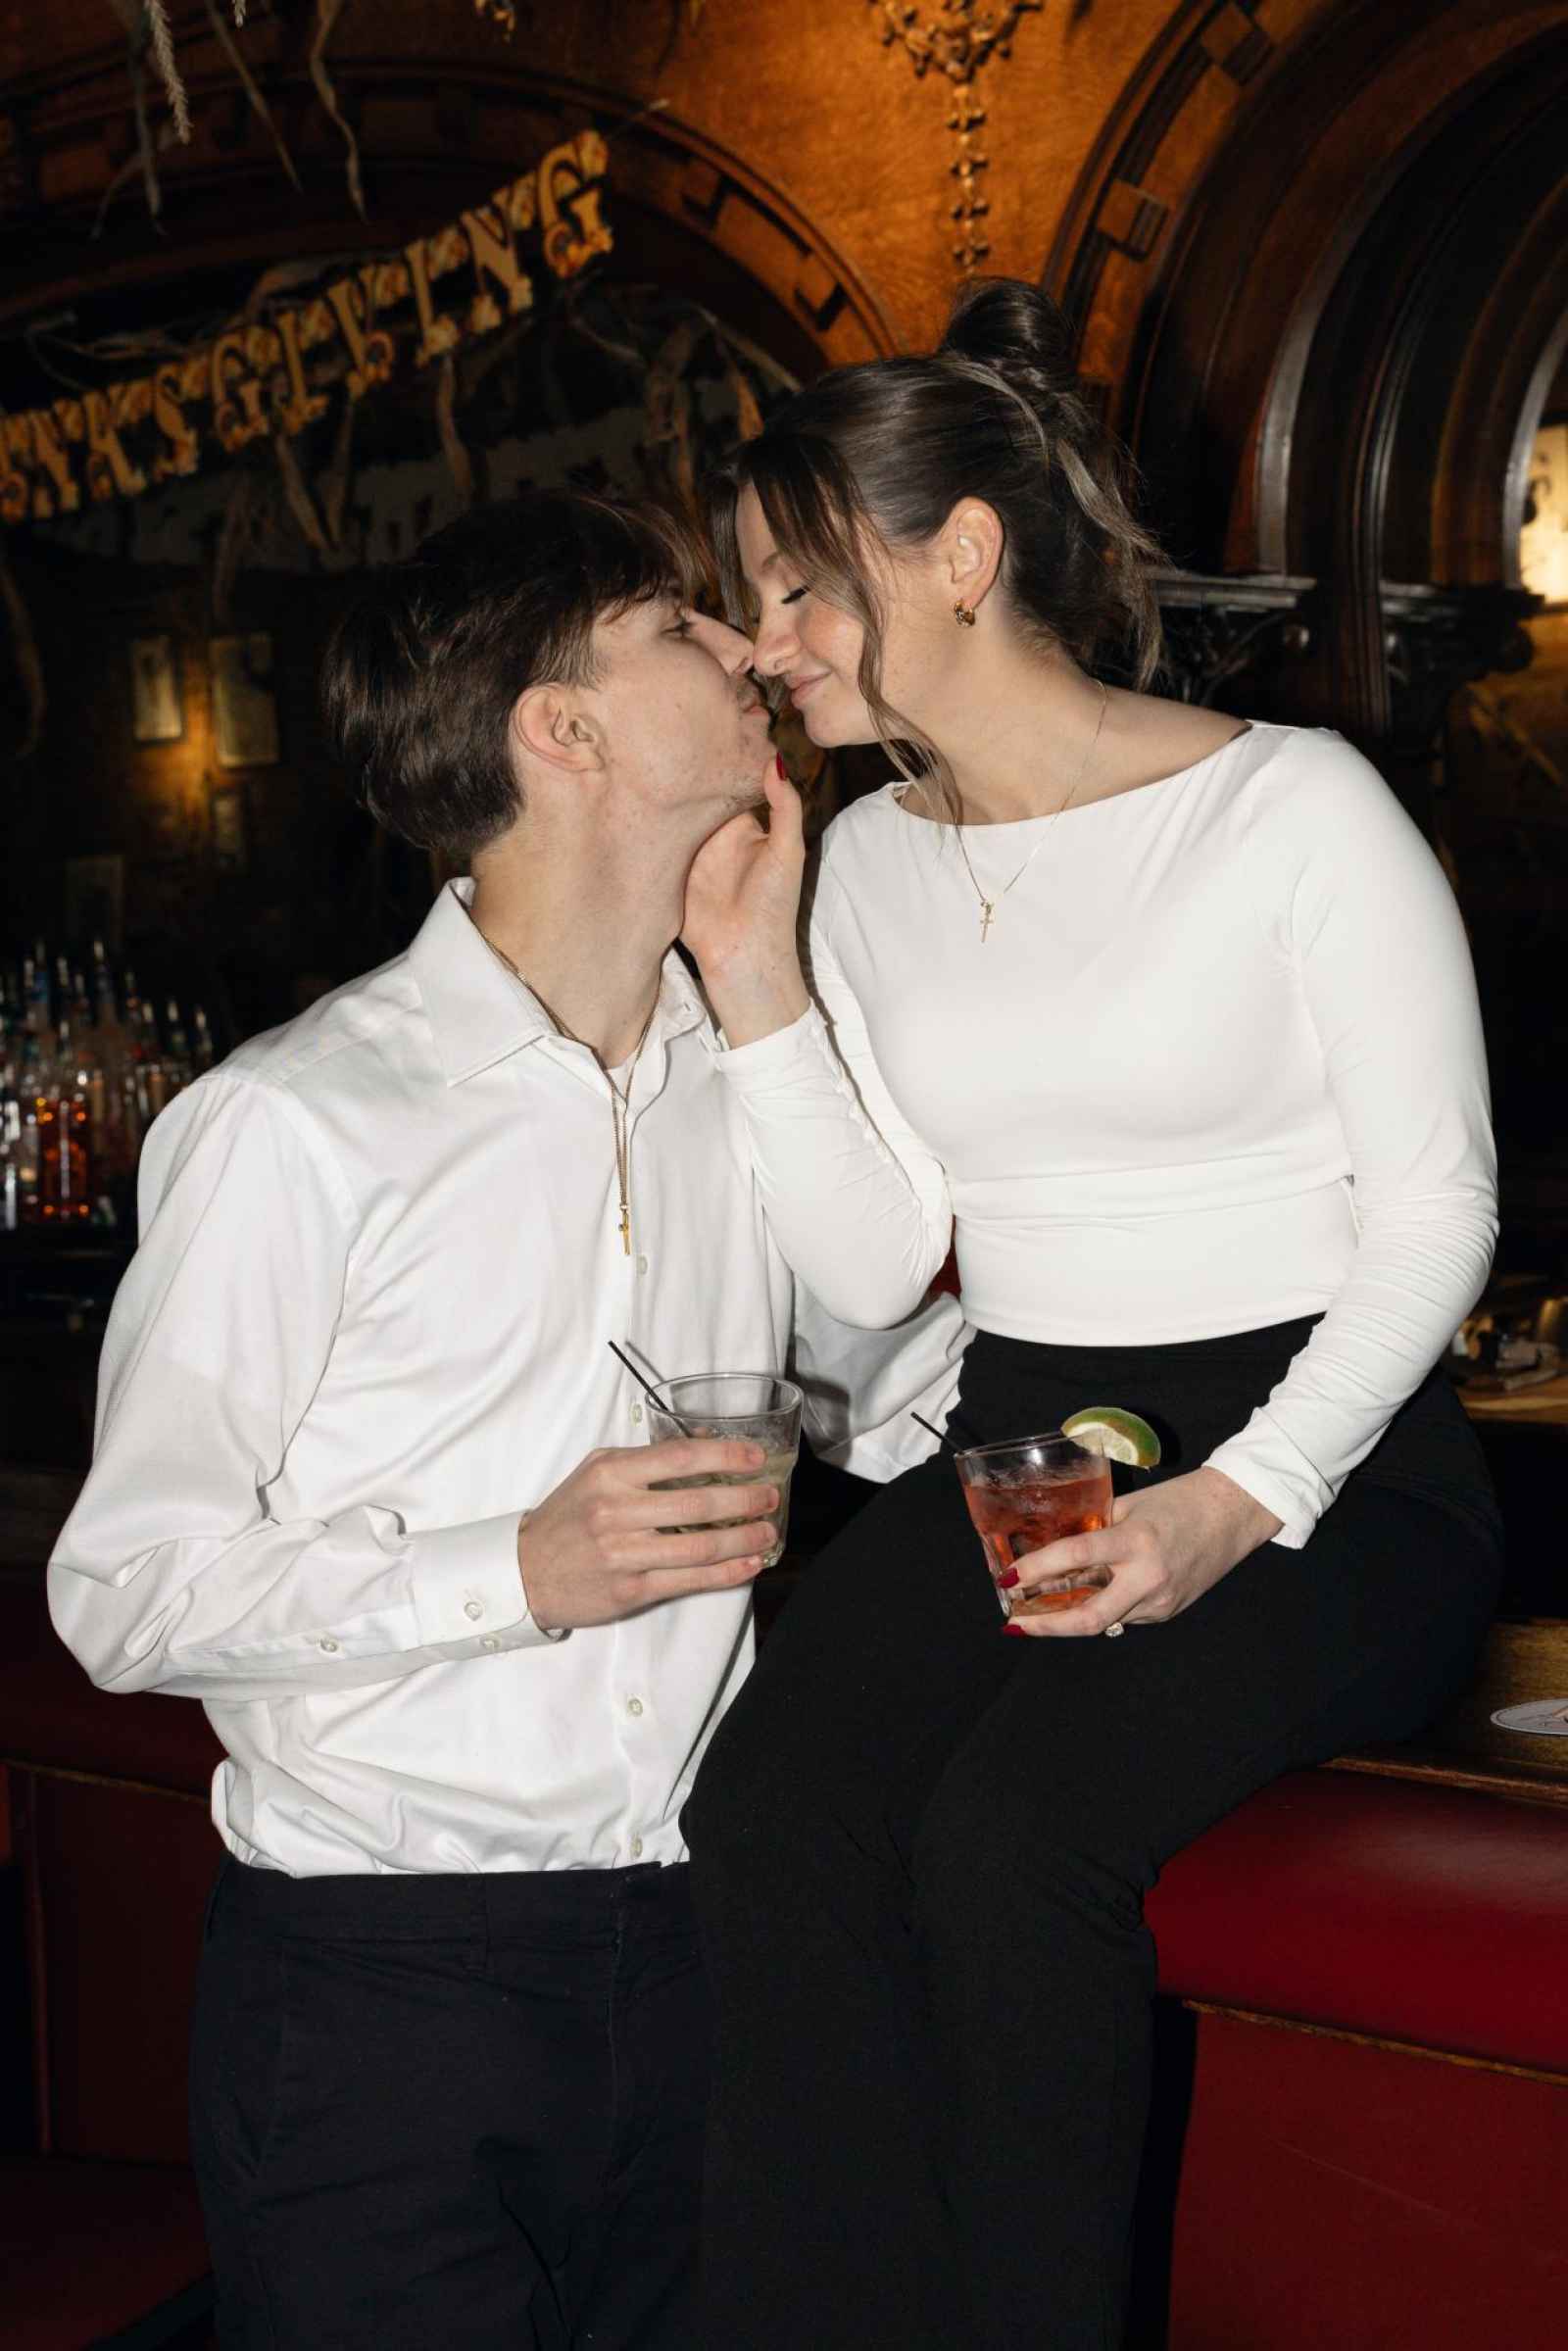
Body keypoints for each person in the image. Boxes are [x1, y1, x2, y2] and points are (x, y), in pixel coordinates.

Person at [674, 279, 1504, 2350]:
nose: (764, 645)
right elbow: (877, 1268)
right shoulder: (865, 860)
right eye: (754, 602)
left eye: (797, 589)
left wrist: (1237, 1502)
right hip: (1025, 1448)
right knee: (765, 1809)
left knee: (1010, 1845)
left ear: (960, 554)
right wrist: (755, 981)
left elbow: (1436, 1218)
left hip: (1325, 1469)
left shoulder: (1293, 806)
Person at [47, 488, 961, 2351]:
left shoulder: (757, 1076)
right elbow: (123, 1592)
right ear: (564, 729)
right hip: (382, 1993)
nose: (747, 647)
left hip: (706, 1954)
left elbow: (889, 1393)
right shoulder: (297, 1122)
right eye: (681, 628)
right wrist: (518, 1569)